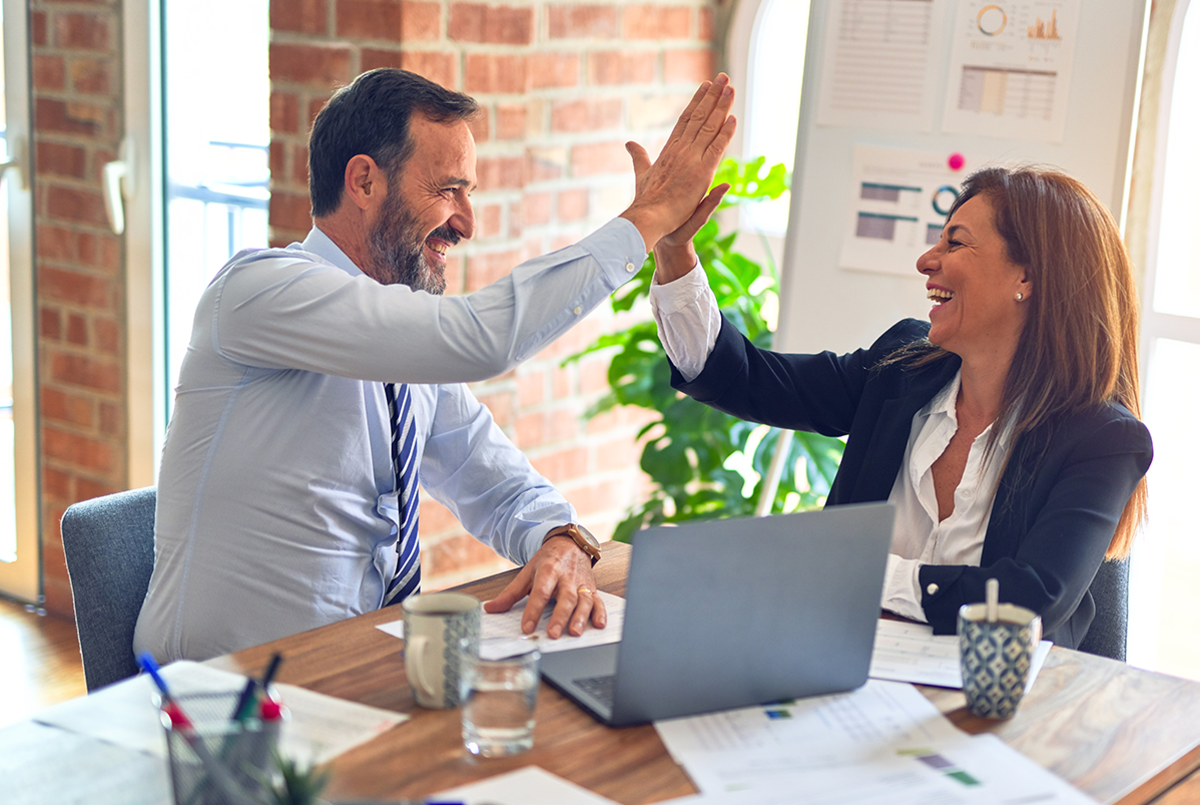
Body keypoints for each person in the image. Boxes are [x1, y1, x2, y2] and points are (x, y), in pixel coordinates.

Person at [134, 68, 736, 662]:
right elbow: (482, 339)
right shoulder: (259, 292)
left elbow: (494, 480)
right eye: (449, 189)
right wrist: (648, 218)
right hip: (221, 700)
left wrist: (561, 538)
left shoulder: (404, 349)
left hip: (359, 673)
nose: (467, 223)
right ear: (364, 182)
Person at [648, 165, 1151, 649]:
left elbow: (1027, 603)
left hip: (999, 710)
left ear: (1028, 278)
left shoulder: (1102, 439)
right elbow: (745, 379)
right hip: (843, 671)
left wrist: (856, 571)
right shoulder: (901, 368)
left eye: (954, 242)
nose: (926, 261)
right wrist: (675, 252)